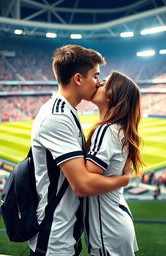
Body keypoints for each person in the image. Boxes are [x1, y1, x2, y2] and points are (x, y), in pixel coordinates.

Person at [29, 45, 132, 256]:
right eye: (95, 76)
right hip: (54, 239)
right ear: (78, 79)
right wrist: (124, 179)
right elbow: (83, 185)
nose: (98, 82)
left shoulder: (68, 112)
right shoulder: (57, 117)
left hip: (67, 235)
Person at [83, 71, 143, 256]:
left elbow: (87, 181)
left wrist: (125, 180)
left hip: (108, 229)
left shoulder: (106, 130)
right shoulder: (119, 130)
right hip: (116, 223)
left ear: (110, 96)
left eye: (104, 83)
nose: (98, 84)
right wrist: (124, 179)